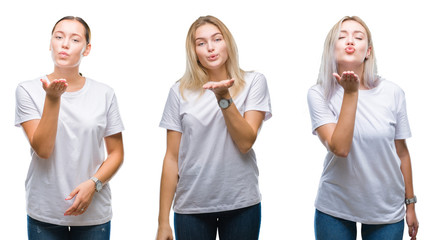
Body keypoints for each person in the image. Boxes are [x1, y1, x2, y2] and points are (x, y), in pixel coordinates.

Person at [156, 15, 272, 240]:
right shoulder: (179, 91)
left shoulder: (254, 82)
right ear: (194, 52)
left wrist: (223, 97)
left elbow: (246, 142)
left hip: (241, 203)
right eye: (201, 43)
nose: (210, 48)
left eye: (217, 39)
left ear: (228, 42)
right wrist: (163, 222)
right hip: (192, 207)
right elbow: (171, 157)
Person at [307, 16, 419, 240]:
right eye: (342, 36)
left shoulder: (393, 92)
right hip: (335, 208)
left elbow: (402, 153)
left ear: (368, 51)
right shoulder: (319, 94)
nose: (350, 41)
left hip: (385, 209)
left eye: (358, 37)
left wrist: (411, 204)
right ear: (332, 48)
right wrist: (350, 93)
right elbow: (340, 148)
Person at [15, 16, 124, 240]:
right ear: (50, 43)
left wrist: (94, 185)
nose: (65, 44)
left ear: (86, 49)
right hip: (45, 212)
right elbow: (43, 150)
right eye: (59, 37)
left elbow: (116, 154)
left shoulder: (104, 93)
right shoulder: (28, 90)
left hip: (93, 214)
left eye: (75, 39)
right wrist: (52, 100)